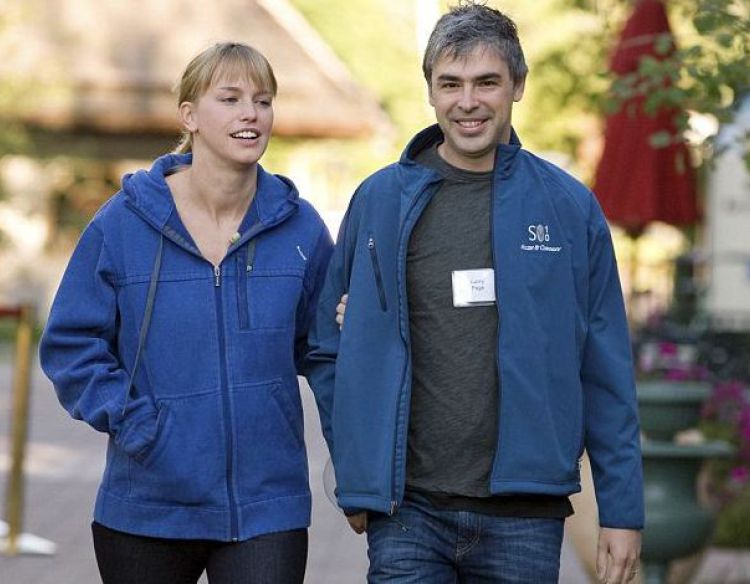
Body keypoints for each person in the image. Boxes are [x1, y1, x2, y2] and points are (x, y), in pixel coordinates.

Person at [307, 3, 643, 584]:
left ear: (518, 86)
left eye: (487, 82)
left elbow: (605, 369)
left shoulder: (568, 208)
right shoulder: (379, 201)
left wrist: (622, 511)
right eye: (451, 84)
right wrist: (358, 475)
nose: (468, 102)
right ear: (430, 91)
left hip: (525, 517)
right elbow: (327, 348)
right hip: (408, 513)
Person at [39, 42, 332, 584]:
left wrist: (359, 472)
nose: (251, 113)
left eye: (263, 100)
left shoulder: (301, 229)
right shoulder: (123, 223)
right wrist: (135, 423)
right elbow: (71, 345)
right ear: (190, 116)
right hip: (148, 503)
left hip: (266, 506)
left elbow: (328, 353)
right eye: (230, 98)